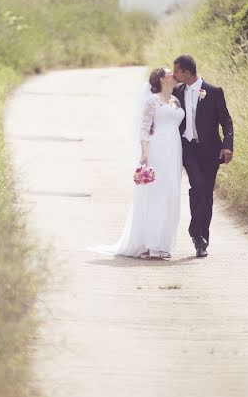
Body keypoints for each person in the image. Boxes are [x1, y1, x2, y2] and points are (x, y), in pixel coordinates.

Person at [91, 68, 185, 259]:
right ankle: (149, 243)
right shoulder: (153, 100)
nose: (173, 75)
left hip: (174, 150)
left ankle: (163, 243)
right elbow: (144, 127)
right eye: (169, 73)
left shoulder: (176, 100)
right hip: (157, 149)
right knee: (155, 194)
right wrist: (144, 152)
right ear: (161, 79)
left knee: (171, 194)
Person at [173, 55, 234, 258]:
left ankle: (200, 239)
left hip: (210, 151)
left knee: (206, 194)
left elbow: (226, 121)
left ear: (187, 72)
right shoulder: (177, 92)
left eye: (177, 71)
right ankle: (196, 232)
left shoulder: (214, 92)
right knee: (198, 186)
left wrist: (227, 146)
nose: (174, 75)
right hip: (188, 149)